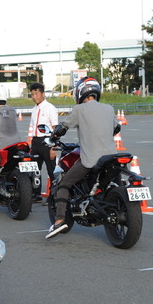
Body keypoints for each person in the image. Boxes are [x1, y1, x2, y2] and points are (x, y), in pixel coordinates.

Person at [46, 77, 119, 239]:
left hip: (91, 159)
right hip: (112, 158)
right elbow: (117, 127)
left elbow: (62, 127)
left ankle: (59, 221)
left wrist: (54, 136)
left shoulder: (79, 109)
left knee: (64, 184)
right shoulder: (109, 108)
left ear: (81, 91)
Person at [28, 82, 58, 201]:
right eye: (32, 94)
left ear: (43, 94)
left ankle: (54, 196)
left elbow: (56, 128)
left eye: (36, 94)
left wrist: (54, 147)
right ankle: (36, 194)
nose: (34, 96)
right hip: (35, 142)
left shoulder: (50, 108)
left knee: (52, 171)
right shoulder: (33, 110)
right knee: (34, 169)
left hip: (47, 141)